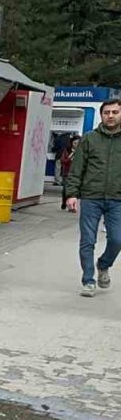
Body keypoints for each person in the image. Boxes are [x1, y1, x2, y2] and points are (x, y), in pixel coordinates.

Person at [65, 99, 121, 298]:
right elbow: (77, 168)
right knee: (87, 240)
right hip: (91, 197)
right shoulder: (89, 139)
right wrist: (71, 194)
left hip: (117, 199)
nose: (111, 116)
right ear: (102, 115)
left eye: (115, 112)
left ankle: (103, 265)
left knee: (117, 239)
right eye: (107, 112)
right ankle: (88, 280)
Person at [61, 135, 79, 210]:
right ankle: (64, 202)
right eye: (74, 143)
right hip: (67, 173)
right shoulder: (67, 150)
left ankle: (71, 206)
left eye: (78, 143)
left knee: (74, 191)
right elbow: (64, 161)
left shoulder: (81, 151)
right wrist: (72, 154)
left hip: (76, 174)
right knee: (65, 189)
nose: (76, 145)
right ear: (72, 143)